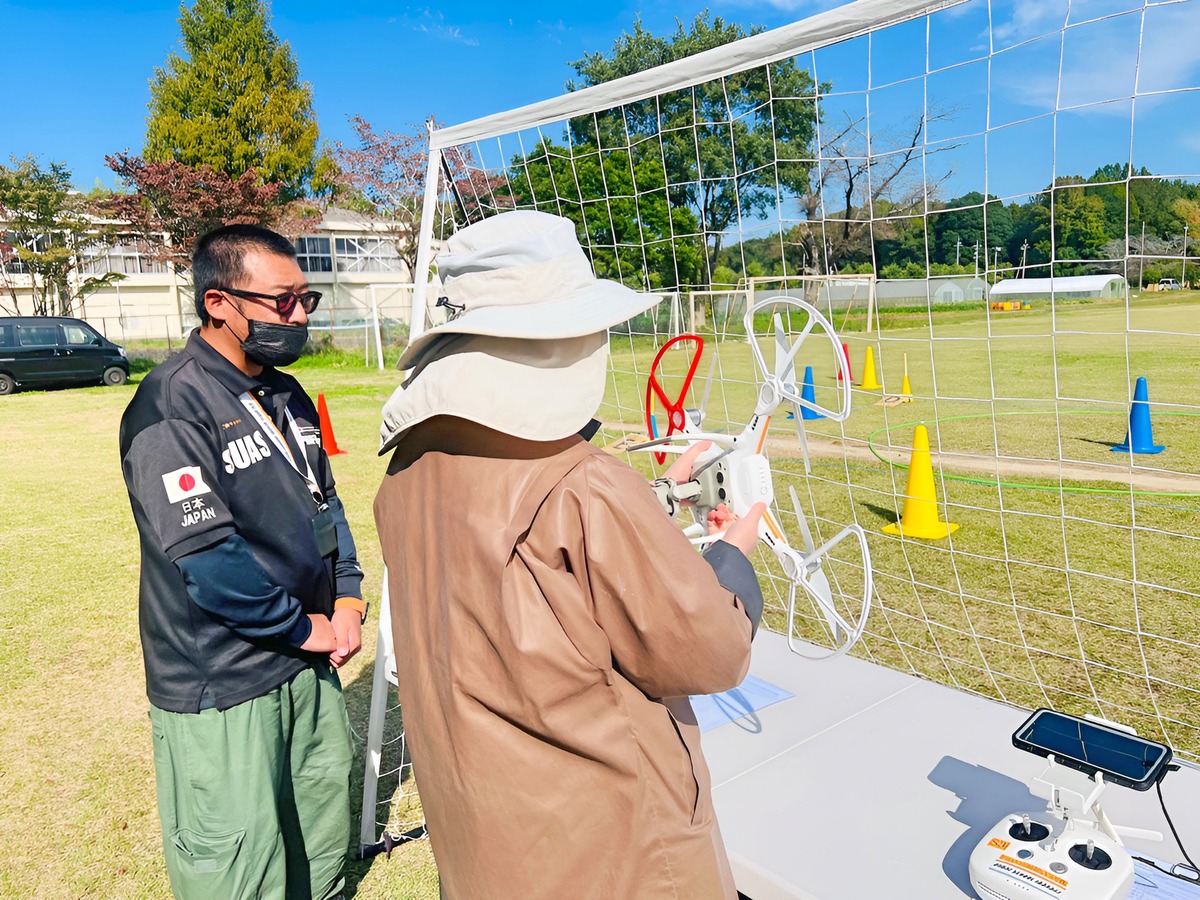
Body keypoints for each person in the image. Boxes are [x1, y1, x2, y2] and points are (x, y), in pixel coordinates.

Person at [375, 210, 766, 899]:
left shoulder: (409, 468)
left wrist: (656, 495)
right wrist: (734, 553)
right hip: (611, 847)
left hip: (487, 836)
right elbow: (710, 649)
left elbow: (526, 584)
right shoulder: (585, 485)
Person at [119, 224, 366, 900]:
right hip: (223, 678)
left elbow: (328, 506)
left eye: (305, 299)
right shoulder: (171, 405)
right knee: (238, 866)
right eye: (281, 301)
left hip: (308, 657)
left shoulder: (288, 394)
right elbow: (207, 557)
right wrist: (304, 627)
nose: (299, 315)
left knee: (317, 836)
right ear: (220, 303)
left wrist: (346, 601)